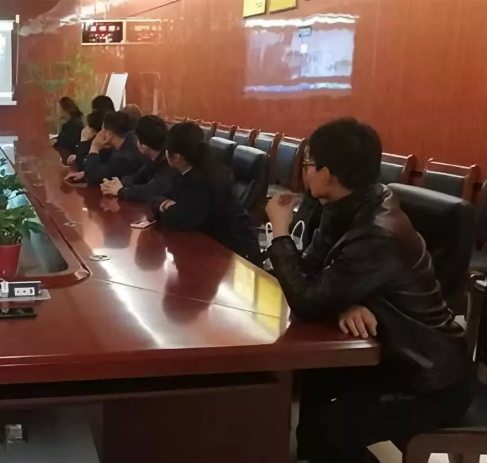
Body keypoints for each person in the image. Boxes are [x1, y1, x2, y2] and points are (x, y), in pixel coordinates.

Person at [265, 118, 475, 463]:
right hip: (393, 358)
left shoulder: (378, 230)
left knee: (324, 432)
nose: (303, 170)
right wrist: (344, 302)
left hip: (430, 379)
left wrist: (280, 233)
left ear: (326, 173)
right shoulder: (345, 205)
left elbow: (306, 301)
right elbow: (313, 279)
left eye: (307, 163)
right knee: (310, 385)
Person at [152, 122, 261, 264]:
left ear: (176, 157)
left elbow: (176, 218)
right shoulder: (190, 171)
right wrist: (165, 204)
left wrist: (164, 206)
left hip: (235, 255)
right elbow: (159, 196)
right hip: (215, 247)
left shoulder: (201, 181)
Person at [101, 115, 177, 203]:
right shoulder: (153, 158)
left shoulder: (170, 161)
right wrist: (117, 184)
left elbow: (151, 191)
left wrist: (121, 191)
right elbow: (139, 176)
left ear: (144, 146)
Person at [64, 111, 143, 187]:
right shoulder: (128, 140)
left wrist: (94, 147)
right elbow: (102, 169)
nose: (100, 133)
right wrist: (84, 174)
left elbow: (93, 178)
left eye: (102, 130)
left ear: (109, 134)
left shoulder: (124, 158)